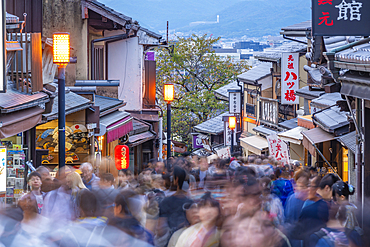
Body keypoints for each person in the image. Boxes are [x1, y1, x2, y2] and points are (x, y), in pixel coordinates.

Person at [157, 166, 193, 244]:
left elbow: (161, 229)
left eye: (172, 177)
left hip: (170, 241)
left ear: (176, 180)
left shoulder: (165, 201)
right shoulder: (191, 203)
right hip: (188, 240)